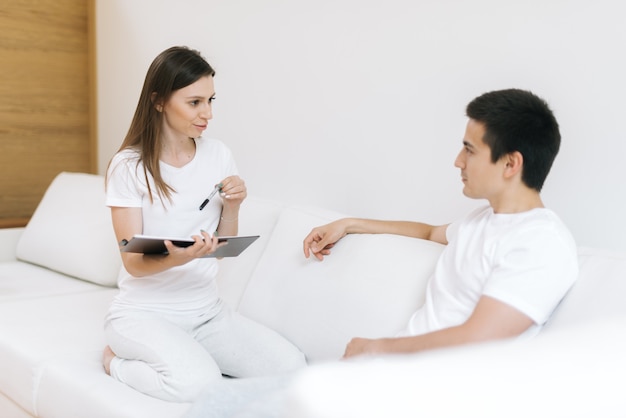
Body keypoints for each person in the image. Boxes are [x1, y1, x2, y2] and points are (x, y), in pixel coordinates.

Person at [303, 88, 579, 359]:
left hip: (425, 389)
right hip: (387, 374)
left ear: (510, 163)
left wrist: (373, 349)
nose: (458, 161)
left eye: (470, 150)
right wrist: (349, 224)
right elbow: (427, 232)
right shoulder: (481, 221)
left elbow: (477, 339)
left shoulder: (541, 242)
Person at [103, 46, 305, 402]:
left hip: (207, 313)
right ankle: (114, 362)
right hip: (145, 314)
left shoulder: (218, 155)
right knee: (199, 386)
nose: (207, 113)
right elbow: (133, 262)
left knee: (293, 369)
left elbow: (222, 249)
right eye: (194, 102)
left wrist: (233, 205)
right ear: (159, 101)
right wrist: (179, 257)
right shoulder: (129, 166)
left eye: (210, 100)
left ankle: (191, 354)